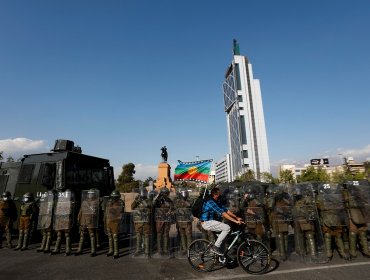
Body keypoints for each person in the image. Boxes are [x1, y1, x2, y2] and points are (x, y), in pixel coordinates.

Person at [199, 187, 243, 255]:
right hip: (207, 222)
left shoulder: (216, 201)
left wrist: (236, 217)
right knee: (227, 228)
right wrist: (235, 221)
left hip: (212, 221)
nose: (221, 195)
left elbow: (226, 210)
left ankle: (221, 257)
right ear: (215, 195)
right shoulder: (210, 202)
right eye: (219, 194)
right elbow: (222, 213)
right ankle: (215, 247)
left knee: (223, 239)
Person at [104, 190, 125, 258]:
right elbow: (106, 211)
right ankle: (111, 250)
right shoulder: (109, 202)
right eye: (113, 197)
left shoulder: (120, 202)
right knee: (110, 237)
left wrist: (111, 208)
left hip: (115, 221)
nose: (114, 198)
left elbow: (119, 211)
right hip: (109, 220)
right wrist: (104, 218)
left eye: (115, 197)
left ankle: (116, 252)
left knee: (115, 237)